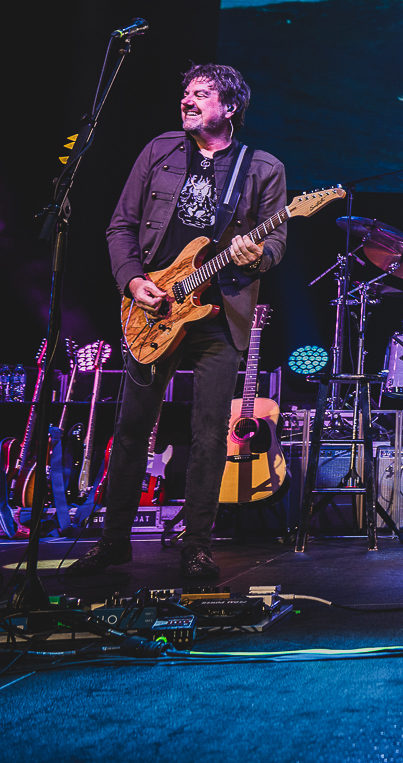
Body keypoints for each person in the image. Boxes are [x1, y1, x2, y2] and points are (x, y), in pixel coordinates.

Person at [68, 65, 288, 578]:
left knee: (212, 433)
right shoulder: (159, 151)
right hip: (154, 309)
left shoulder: (262, 168)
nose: (187, 99)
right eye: (186, 91)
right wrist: (132, 281)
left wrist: (254, 254)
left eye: (202, 94)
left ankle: (197, 545)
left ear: (229, 109)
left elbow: (276, 244)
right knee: (130, 429)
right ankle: (114, 539)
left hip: (220, 314)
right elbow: (120, 226)